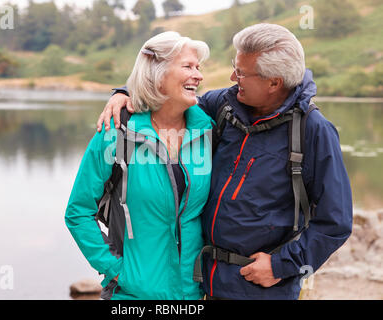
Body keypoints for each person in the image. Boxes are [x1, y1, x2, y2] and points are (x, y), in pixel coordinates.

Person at [96, 23, 353, 300]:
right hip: (204, 285)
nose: (232, 76)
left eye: (241, 73)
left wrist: (281, 266)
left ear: (274, 82)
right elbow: (170, 95)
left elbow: (335, 221)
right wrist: (125, 93)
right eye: (235, 66)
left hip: (264, 290)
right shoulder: (223, 106)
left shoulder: (313, 130)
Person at [65, 31, 213, 300]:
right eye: (188, 66)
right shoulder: (117, 132)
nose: (198, 76)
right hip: (132, 294)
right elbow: (78, 211)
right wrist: (116, 270)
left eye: (198, 68)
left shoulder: (208, 130)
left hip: (192, 294)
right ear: (157, 72)